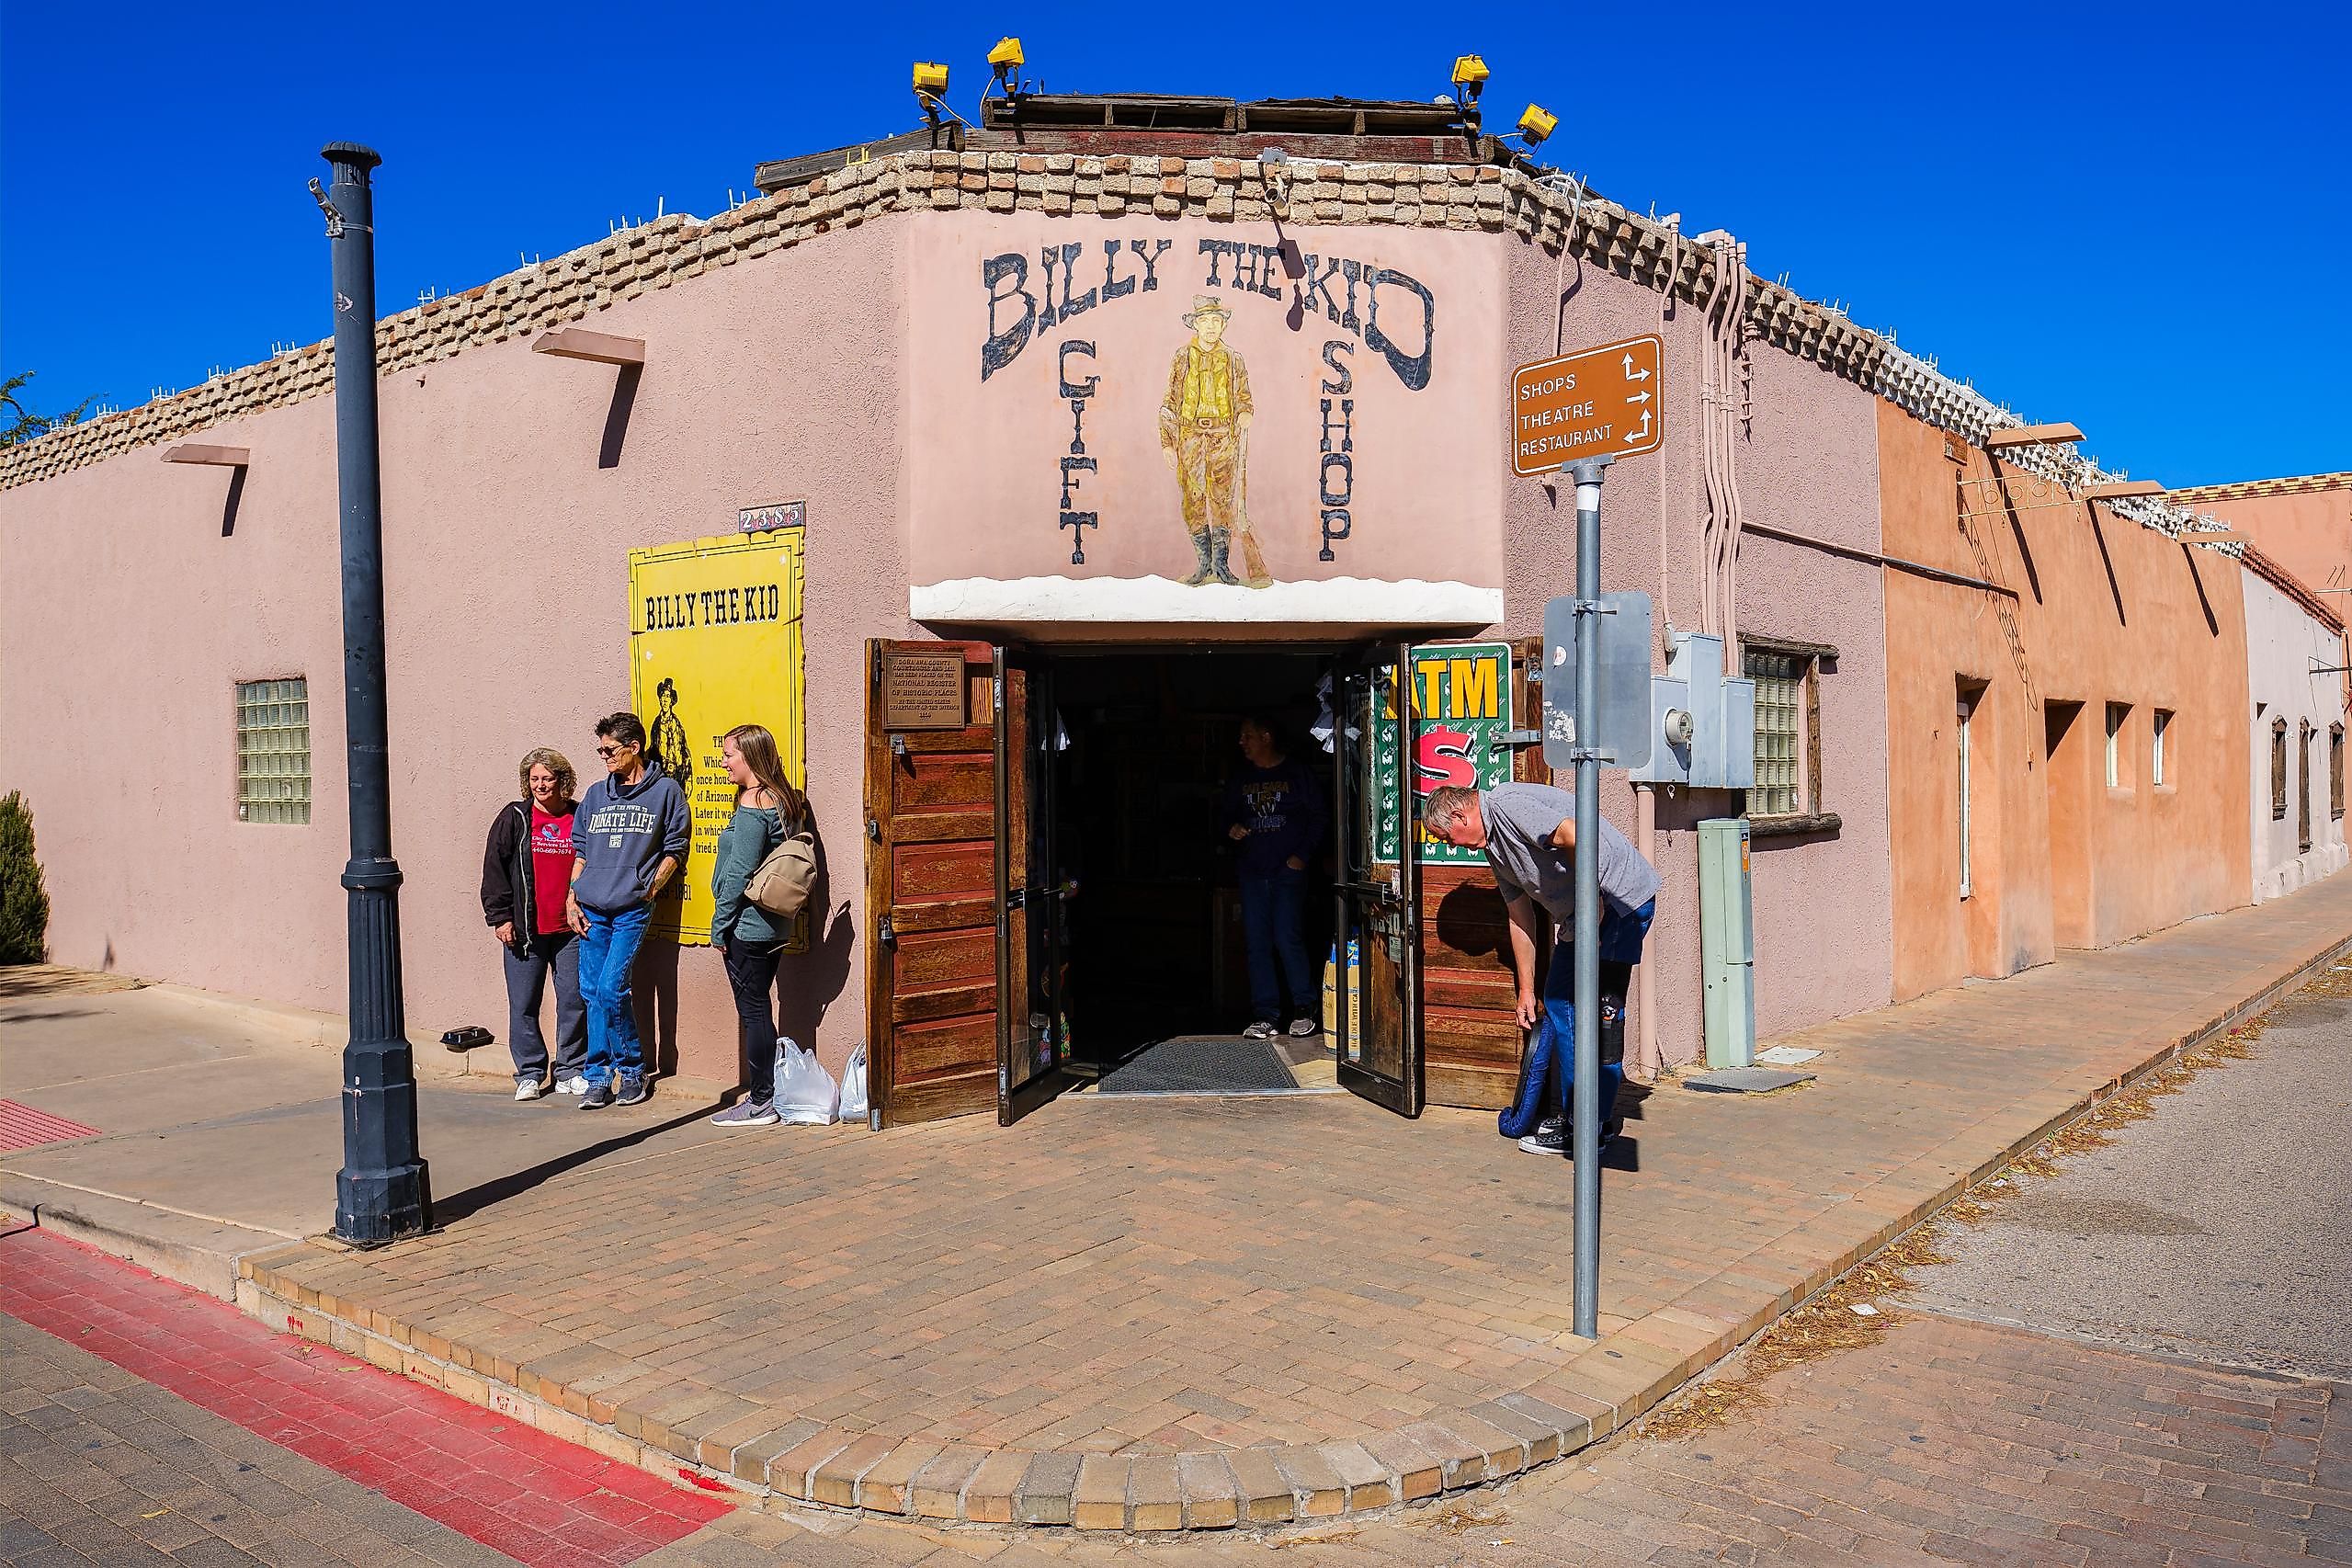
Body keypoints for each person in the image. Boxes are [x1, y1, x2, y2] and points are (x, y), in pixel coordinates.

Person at [1423, 782, 1661, 1157]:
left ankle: (1588, 1125)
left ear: (1459, 816)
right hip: (1584, 914)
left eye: (1447, 838)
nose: (1451, 846)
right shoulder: (1495, 848)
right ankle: (1584, 1118)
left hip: (1618, 902)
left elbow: (1573, 833)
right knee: (1560, 1001)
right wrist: (1525, 990)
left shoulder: (1507, 807)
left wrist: (1594, 897)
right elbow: (1519, 917)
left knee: (1601, 1014)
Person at [567, 712, 689, 1110]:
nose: (604, 757)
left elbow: (675, 848)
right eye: (600, 751)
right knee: (591, 992)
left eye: (610, 750)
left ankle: (633, 1071)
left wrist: (649, 888)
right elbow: (581, 851)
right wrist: (572, 898)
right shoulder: (595, 795)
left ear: (634, 747)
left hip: (630, 909)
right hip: (591, 908)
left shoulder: (665, 792)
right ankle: (598, 1076)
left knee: (610, 988)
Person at [705, 723, 808, 1129]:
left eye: (730, 755)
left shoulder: (753, 802)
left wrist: (719, 926)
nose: (724, 761)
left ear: (750, 757)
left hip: (746, 928)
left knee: (754, 1013)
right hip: (774, 927)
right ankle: (765, 1095)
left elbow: (737, 874)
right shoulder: (784, 798)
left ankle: (761, 1100)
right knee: (760, 1008)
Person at [478, 748, 586, 1100]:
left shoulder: (578, 815)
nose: (540, 785)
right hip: (525, 929)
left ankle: (570, 1069)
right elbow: (494, 869)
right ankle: (529, 1072)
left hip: (570, 928)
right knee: (524, 1003)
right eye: (534, 778)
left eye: (547, 778)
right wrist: (500, 918)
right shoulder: (515, 818)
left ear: (562, 781)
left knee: (573, 1000)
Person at [1221, 715, 1326, 1041]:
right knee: (1257, 945)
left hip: (1287, 873)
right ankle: (1265, 1015)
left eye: (1247, 736)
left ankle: (1304, 1008)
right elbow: (1224, 816)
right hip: (1253, 872)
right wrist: (1232, 829)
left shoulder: (1296, 774)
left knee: (1287, 937)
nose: (1242, 742)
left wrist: (1302, 857)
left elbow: (1319, 816)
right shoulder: (1242, 779)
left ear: (1266, 737)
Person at [1157, 295, 1253, 586]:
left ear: (1223, 325)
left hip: (1224, 437)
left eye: (1216, 321)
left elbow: (1244, 398)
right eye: (1205, 321)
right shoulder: (1182, 358)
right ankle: (1204, 564)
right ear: (1195, 324)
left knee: (1223, 500)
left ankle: (1221, 565)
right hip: (1190, 437)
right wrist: (1167, 443)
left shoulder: (1234, 359)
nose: (1211, 326)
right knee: (1193, 500)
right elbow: (1169, 403)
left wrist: (1245, 413)